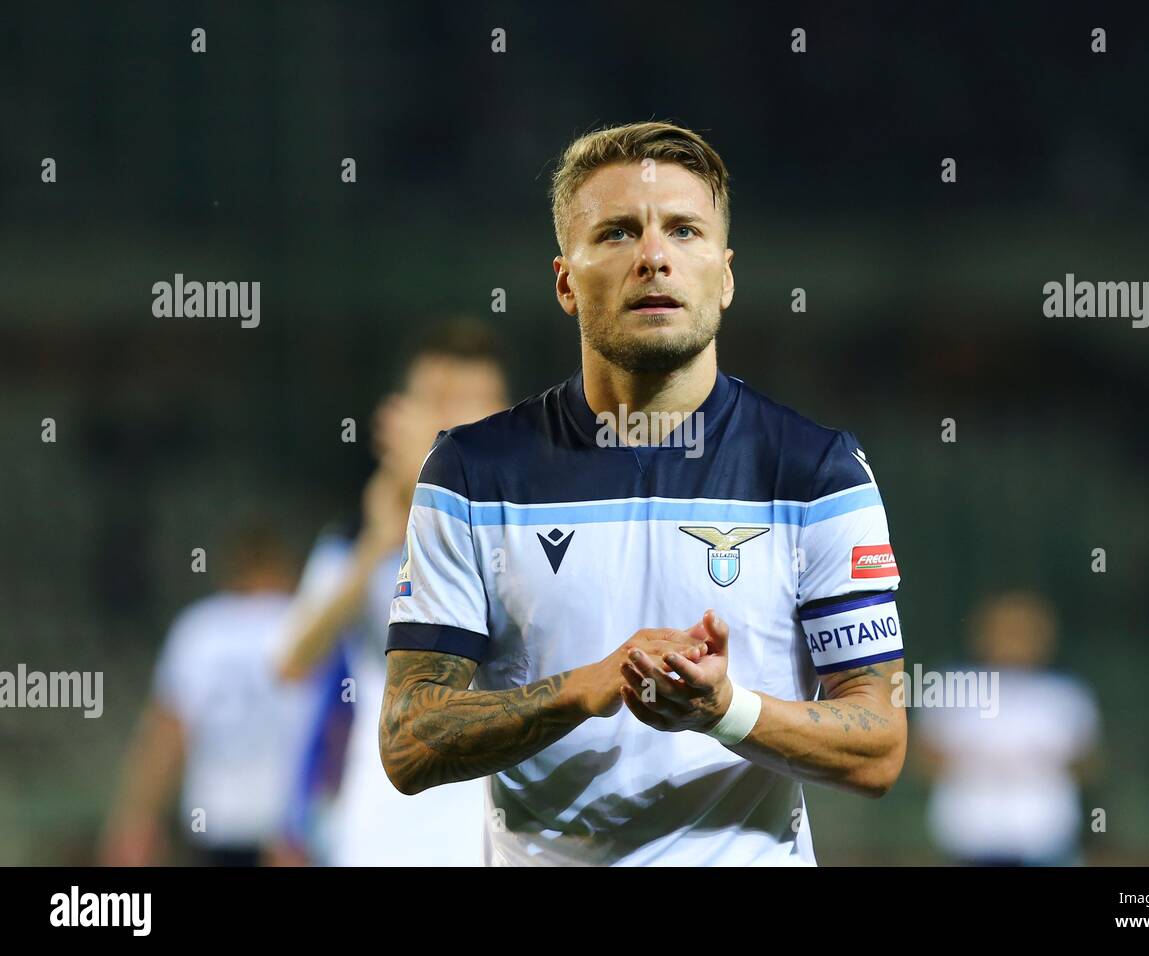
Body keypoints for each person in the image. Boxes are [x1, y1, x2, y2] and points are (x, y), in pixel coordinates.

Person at [381, 121, 908, 867]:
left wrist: (725, 711)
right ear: (566, 280)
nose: (654, 257)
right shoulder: (472, 473)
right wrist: (591, 686)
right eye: (619, 233)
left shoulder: (816, 471)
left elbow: (880, 744)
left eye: (684, 231)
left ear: (724, 277)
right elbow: (407, 739)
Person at [276, 321, 509, 866]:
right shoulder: (358, 536)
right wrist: (378, 542)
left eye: (470, 407)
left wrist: (437, 492)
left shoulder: (524, 535)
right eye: (436, 404)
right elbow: (290, 660)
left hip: (486, 834)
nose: (450, 426)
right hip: (377, 832)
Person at [100, 521, 318, 866]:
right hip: (289, 827)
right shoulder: (306, 625)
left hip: (216, 822)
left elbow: (166, 733)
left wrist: (137, 818)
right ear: (284, 568)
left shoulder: (199, 629)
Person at [915, 590, 1101, 866]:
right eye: (1005, 630)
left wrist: (1033, 765)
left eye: (1025, 631)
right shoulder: (949, 687)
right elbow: (922, 757)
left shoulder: (1067, 695)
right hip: (970, 838)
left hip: (1045, 837)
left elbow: (1089, 762)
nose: (1013, 641)